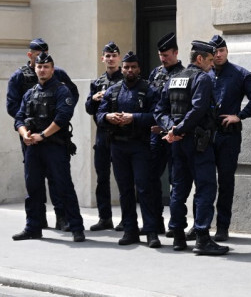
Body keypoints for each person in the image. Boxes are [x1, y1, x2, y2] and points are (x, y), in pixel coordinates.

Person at [154, 39, 228, 255]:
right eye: (209, 60)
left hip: (177, 143)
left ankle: (178, 236)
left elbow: (160, 110)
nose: (212, 65)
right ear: (199, 59)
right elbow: (198, 109)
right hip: (197, 143)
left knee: (179, 188)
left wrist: (171, 129)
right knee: (205, 188)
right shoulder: (202, 79)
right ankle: (203, 238)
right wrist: (177, 130)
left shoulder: (175, 78)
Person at [6, 38, 79, 231]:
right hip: (31, 139)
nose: (42, 68)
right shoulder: (19, 77)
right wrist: (28, 131)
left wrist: (54, 120)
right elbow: (14, 109)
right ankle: (36, 224)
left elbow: (71, 99)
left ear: (51, 68)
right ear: (30, 55)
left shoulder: (59, 77)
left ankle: (63, 218)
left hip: (54, 138)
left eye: (46, 64)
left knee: (59, 181)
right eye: (38, 56)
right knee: (34, 183)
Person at [97, 51, 161, 247]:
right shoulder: (113, 90)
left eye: (133, 67)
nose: (130, 70)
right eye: (126, 67)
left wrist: (134, 118)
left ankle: (151, 232)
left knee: (144, 188)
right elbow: (99, 114)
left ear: (139, 69)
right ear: (122, 69)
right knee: (125, 190)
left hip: (140, 145)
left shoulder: (149, 89)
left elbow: (157, 115)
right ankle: (130, 230)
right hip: (118, 146)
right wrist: (108, 117)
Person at [206, 34, 251, 242]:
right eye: (214, 52)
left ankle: (222, 226)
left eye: (221, 50)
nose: (218, 55)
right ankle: (201, 225)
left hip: (227, 136)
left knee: (225, 182)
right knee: (204, 182)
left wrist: (239, 116)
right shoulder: (204, 73)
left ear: (227, 51)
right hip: (204, 135)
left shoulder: (240, 74)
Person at [149, 32, 184, 237]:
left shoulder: (184, 73)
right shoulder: (155, 73)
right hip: (156, 134)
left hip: (175, 133)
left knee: (176, 180)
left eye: (167, 55)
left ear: (176, 52)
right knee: (152, 178)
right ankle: (156, 221)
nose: (163, 59)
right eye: (161, 55)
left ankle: (175, 223)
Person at [85, 41, 124, 232]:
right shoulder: (97, 82)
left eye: (114, 55)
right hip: (102, 136)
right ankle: (104, 218)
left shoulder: (125, 79)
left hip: (121, 136)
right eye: (107, 56)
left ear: (119, 58)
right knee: (102, 179)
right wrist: (93, 98)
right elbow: (88, 108)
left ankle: (127, 219)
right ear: (102, 59)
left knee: (124, 179)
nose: (110, 59)